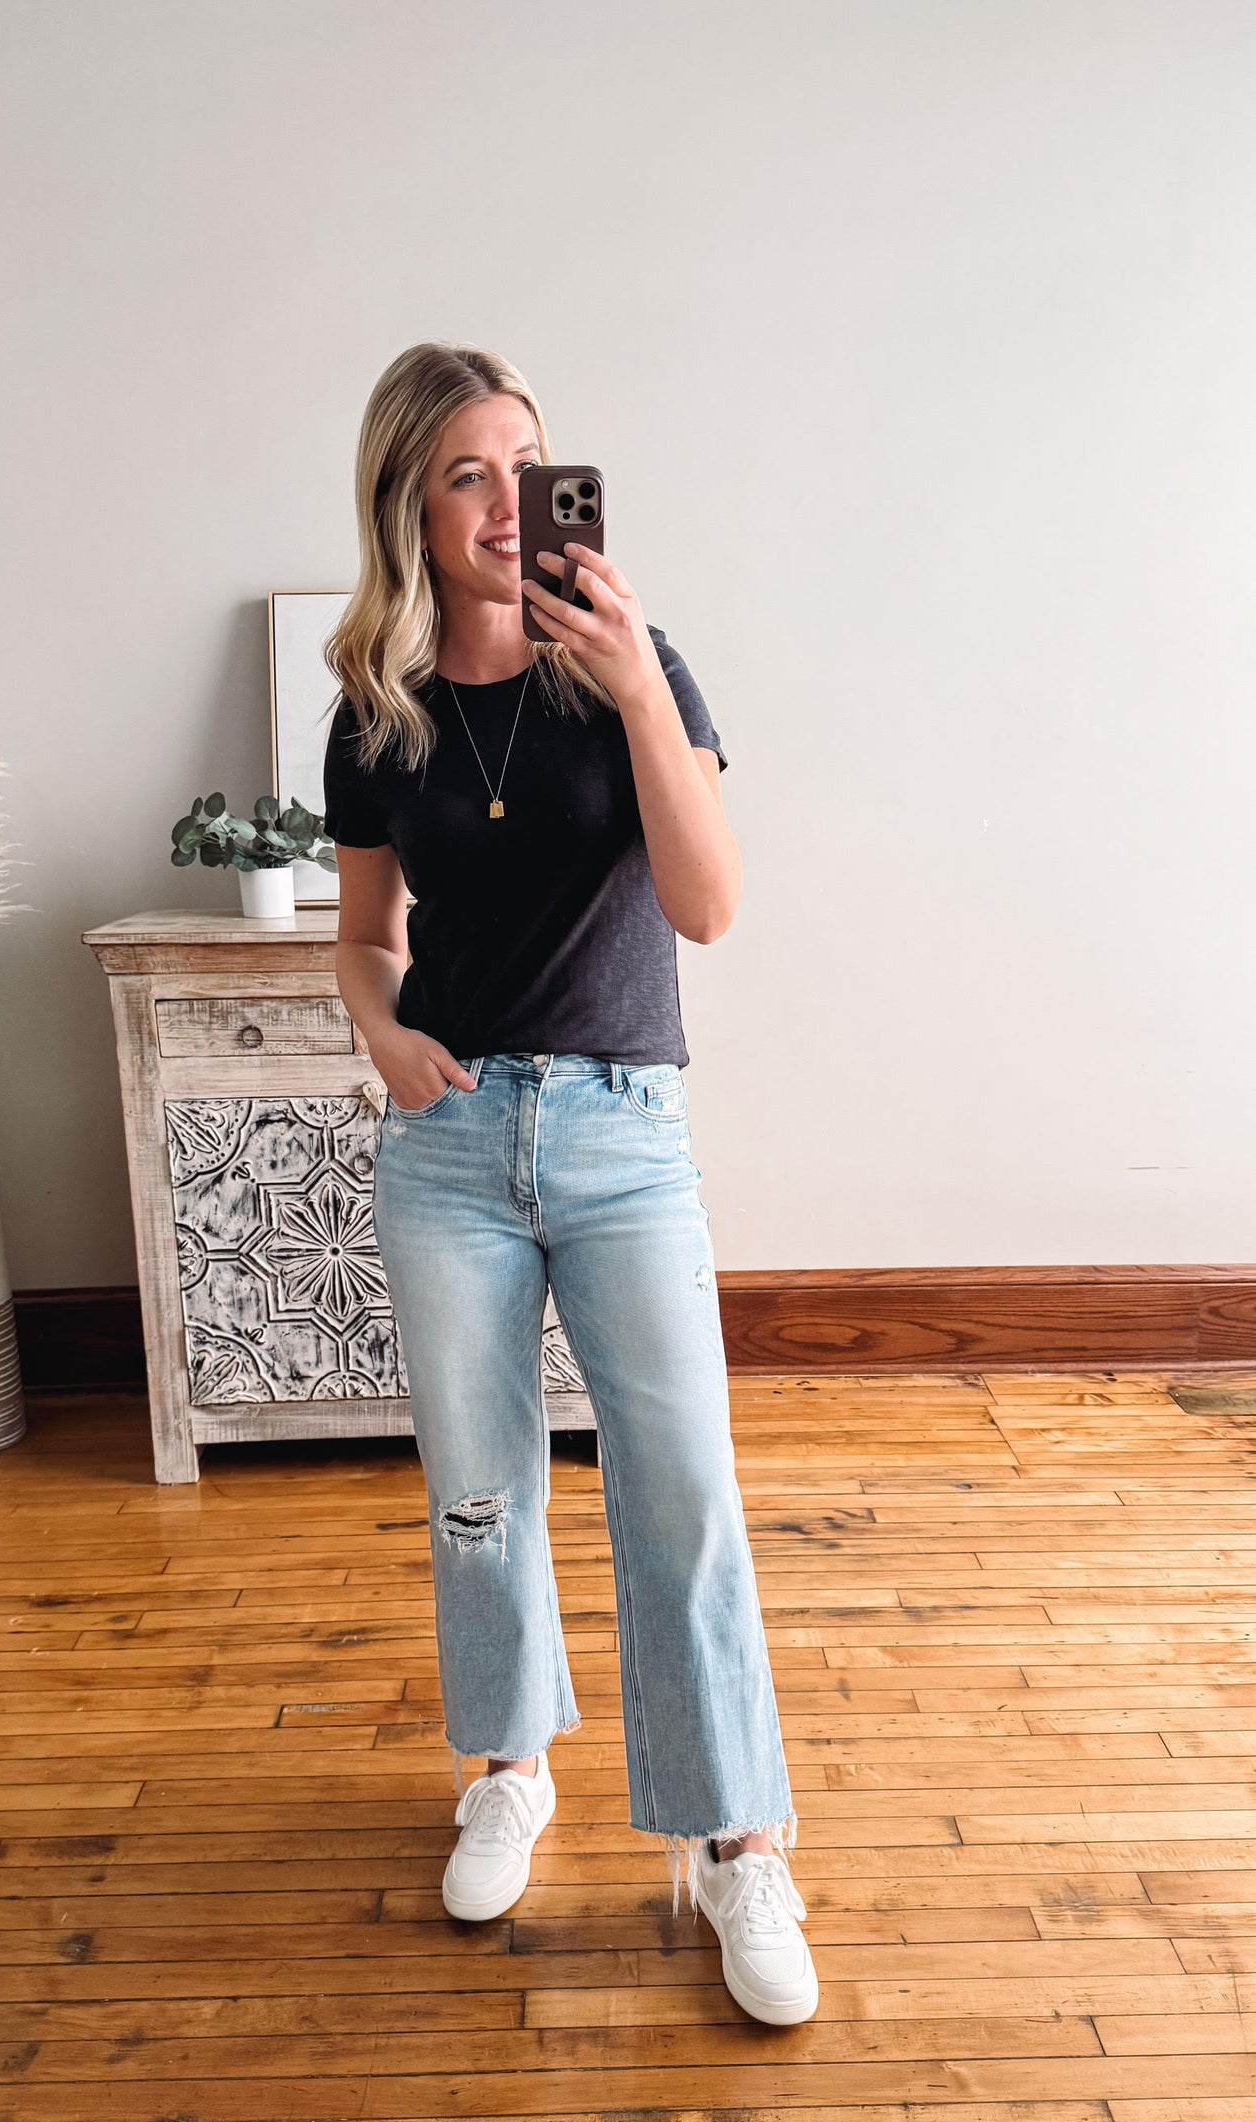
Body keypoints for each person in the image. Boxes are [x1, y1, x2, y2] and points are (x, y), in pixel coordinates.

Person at [322, 340, 817, 2026]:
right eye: (465, 471)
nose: (502, 503)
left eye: (523, 467)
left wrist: (635, 692)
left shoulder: (632, 665)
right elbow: (365, 933)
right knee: (479, 1488)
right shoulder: (373, 712)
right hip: (449, 1143)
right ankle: (508, 1764)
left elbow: (709, 905)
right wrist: (378, 1028)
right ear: (410, 501)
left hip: (619, 1133)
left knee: (679, 1493)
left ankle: (736, 1841)